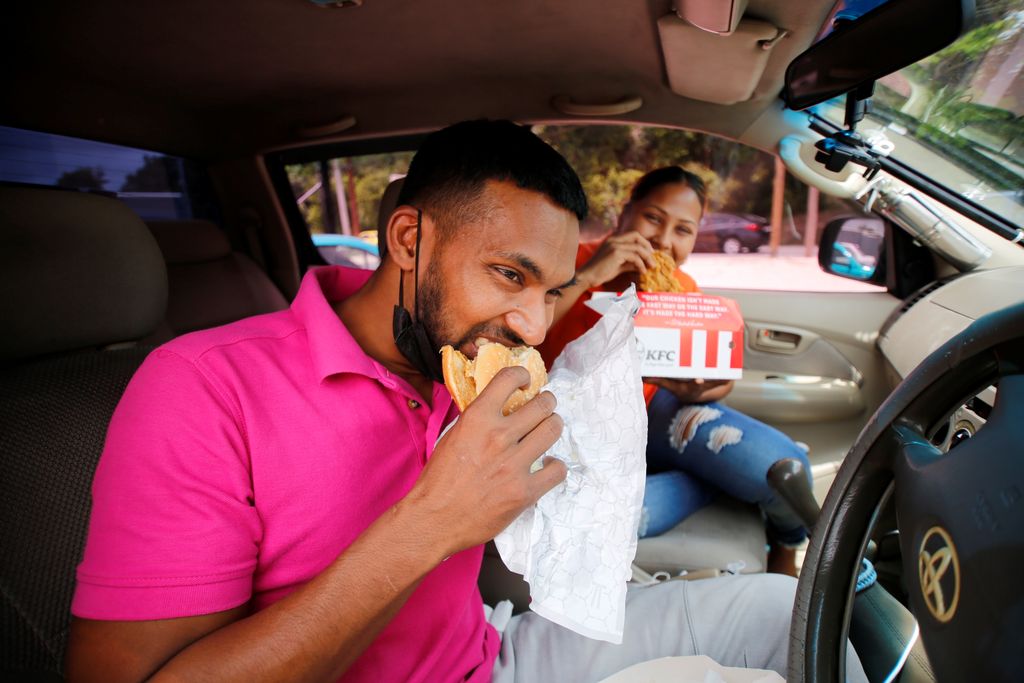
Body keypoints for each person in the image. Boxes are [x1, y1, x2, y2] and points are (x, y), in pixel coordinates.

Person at [67, 122, 862, 682]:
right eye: (510, 275)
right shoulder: (203, 388)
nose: (529, 324)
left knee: (785, 611)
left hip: (492, 654)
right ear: (409, 239)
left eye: (549, 290)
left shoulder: (468, 363)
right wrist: (433, 522)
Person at [538, 166, 814, 576]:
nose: (663, 241)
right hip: (561, 428)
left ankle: (787, 547)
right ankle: (709, 483)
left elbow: (700, 372)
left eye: (683, 230)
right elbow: (522, 335)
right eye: (652, 218)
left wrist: (705, 390)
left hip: (651, 413)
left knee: (782, 466)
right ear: (624, 213)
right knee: (593, 518)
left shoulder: (681, 288)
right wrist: (592, 275)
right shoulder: (566, 261)